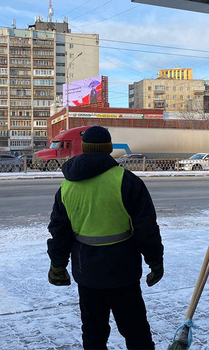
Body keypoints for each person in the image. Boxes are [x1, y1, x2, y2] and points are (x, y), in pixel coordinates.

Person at [47, 125, 164, 349]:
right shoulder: (127, 181)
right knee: (136, 331)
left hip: (87, 271)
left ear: (84, 148)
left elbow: (59, 231)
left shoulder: (67, 186)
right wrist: (155, 261)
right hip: (124, 272)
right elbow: (146, 227)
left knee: (93, 334)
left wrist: (57, 265)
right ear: (109, 149)